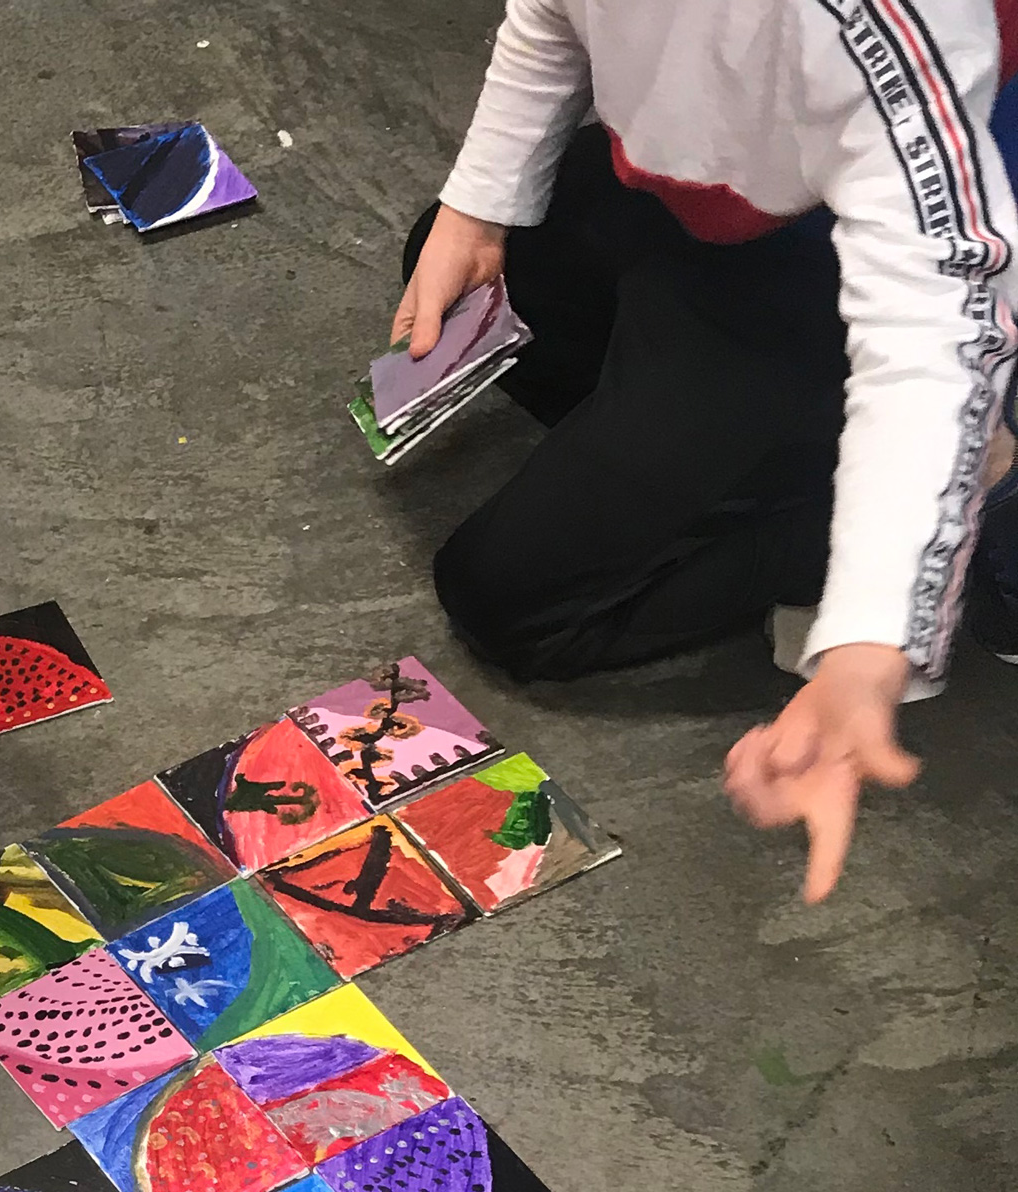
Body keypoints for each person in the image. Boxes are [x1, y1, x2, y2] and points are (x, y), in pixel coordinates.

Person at [392, 0, 1017, 902]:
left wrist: (871, 642)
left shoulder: (883, 25)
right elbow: (548, 16)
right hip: (710, 189)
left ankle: (973, 494)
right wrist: (477, 206)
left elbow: (934, 332)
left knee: (508, 602)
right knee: (473, 283)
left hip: (863, 257)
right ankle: (736, 450)